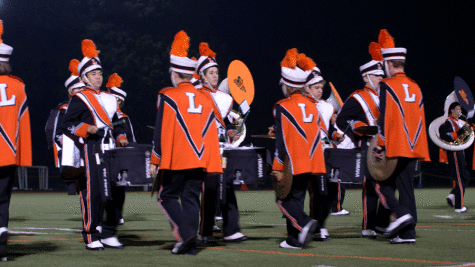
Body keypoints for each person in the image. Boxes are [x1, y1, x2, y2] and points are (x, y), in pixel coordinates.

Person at [149, 31, 222, 255]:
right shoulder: (206, 97)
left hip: (177, 158)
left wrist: (155, 160)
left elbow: (161, 131)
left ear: (174, 73)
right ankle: (190, 245)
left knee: (166, 196)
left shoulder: (168, 96)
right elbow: (212, 131)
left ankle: (185, 232)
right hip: (200, 158)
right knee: (191, 198)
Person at [62, 39, 128, 251]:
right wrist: (85, 128)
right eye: (93, 74)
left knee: (116, 192)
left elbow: (118, 121)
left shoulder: (110, 98)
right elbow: (68, 124)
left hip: (112, 149)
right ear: (84, 78)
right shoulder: (79, 98)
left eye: (100, 73)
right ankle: (91, 234)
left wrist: (120, 136)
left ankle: (109, 232)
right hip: (93, 148)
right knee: (95, 192)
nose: (98, 77)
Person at [373, 29, 430, 244]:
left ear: (389, 64)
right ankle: (408, 233)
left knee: (381, 184)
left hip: (396, 144)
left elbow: (384, 117)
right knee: (407, 189)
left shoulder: (386, 85)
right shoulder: (416, 86)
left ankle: (401, 216)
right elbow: (420, 118)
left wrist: (380, 144)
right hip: (415, 144)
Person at [336, 42, 391, 239]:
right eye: (376, 75)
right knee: (370, 186)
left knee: (389, 184)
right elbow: (342, 120)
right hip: (369, 145)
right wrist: (358, 126)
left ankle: (383, 223)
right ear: (366, 77)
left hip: (387, 144)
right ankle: (368, 226)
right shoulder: (357, 98)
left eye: (381, 75)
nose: (380, 78)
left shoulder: (386, 94)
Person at [195, 42, 248, 245]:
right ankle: (205, 231)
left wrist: (231, 132)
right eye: (210, 72)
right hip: (204, 148)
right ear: (202, 75)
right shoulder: (196, 95)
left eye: (216, 71)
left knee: (227, 186)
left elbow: (223, 125)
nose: (215, 75)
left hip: (223, 149)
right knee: (209, 189)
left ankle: (231, 229)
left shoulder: (225, 99)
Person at [272, 48, 324, 249]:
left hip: (293, 161)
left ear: (287, 85)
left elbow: (282, 140)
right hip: (313, 161)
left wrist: (277, 165)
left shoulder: (282, 106)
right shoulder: (313, 105)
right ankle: (294, 239)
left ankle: (305, 222)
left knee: (283, 200)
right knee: (297, 198)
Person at [298, 53, 341, 241]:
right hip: (308, 152)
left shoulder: (327, 107)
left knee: (330, 190)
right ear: (307, 88)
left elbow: (329, 130)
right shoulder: (300, 104)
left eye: (321, 87)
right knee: (317, 191)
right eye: (316, 87)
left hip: (327, 152)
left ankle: (320, 223)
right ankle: (316, 227)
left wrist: (336, 135)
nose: (319, 90)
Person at [0, 20, 32, 262]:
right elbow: (24, 126)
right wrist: (23, 156)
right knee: (2, 202)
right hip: (7, 155)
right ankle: (1, 251)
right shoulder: (18, 86)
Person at [46, 59, 86, 195]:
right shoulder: (65, 109)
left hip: (88, 151)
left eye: (83, 89)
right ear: (71, 92)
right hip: (73, 153)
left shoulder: (90, 108)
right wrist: (65, 143)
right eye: (78, 89)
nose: (81, 92)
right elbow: (57, 133)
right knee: (79, 188)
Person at [106, 73, 135, 225]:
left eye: (119, 101)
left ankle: (118, 214)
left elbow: (130, 137)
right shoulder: (101, 115)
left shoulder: (123, 117)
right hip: (104, 155)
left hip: (119, 157)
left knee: (119, 187)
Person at [439, 102, 469, 213]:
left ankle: (452, 196)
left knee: (465, 176)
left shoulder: (459, 122)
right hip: (454, 152)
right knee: (460, 178)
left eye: (460, 109)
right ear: (451, 110)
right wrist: (459, 132)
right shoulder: (448, 122)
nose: (459, 111)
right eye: (457, 109)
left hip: (461, 151)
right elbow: (445, 136)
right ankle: (459, 206)